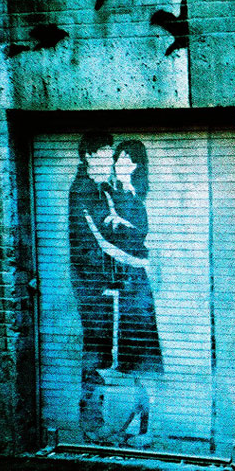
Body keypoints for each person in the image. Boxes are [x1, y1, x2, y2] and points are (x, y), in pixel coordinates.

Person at [81, 139, 163, 446]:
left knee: (139, 359)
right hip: (127, 284)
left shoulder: (134, 199)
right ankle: (131, 424)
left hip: (135, 285)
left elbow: (135, 243)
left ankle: (143, 428)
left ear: (138, 165)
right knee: (129, 360)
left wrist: (123, 236)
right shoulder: (113, 196)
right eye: (118, 158)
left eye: (126, 159)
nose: (119, 163)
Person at [68, 131, 116, 442]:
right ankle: (91, 424)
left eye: (111, 155)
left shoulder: (97, 188)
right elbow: (90, 244)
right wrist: (105, 283)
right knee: (96, 350)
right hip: (92, 286)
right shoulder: (84, 190)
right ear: (88, 156)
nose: (109, 161)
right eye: (104, 155)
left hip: (96, 283)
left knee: (99, 349)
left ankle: (95, 422)